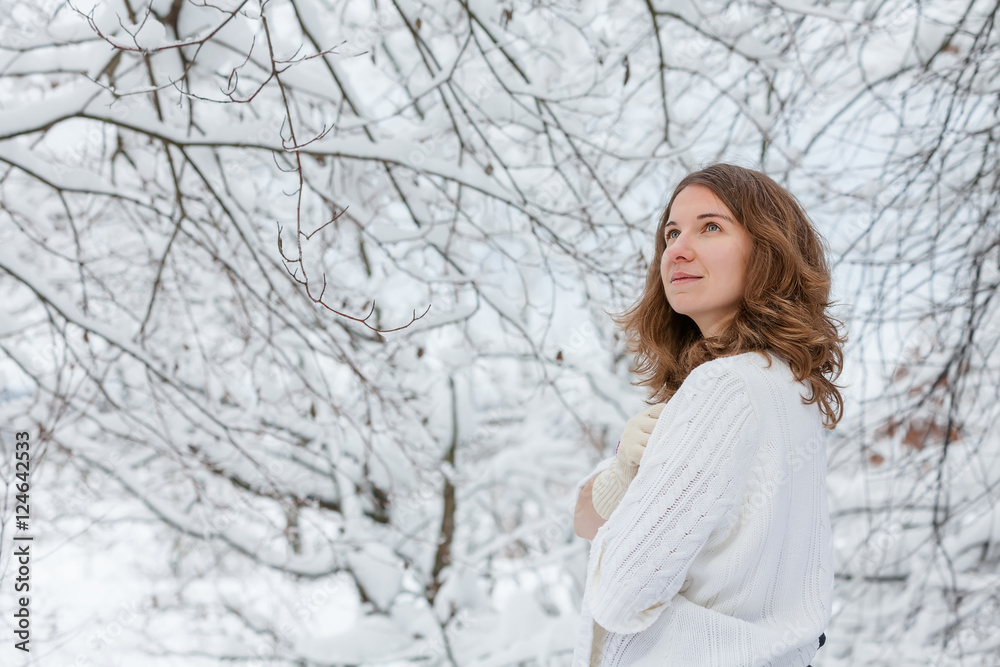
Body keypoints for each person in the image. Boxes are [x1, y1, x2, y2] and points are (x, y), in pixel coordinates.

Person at [571, 163, 845, 666]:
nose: (677, 249)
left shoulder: (723, 387)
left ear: (768, 251)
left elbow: (619, 595)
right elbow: (584, 518)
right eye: (671, 233)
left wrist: (627, 526)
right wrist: (626, 468)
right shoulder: (788, 386)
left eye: (711, 226)